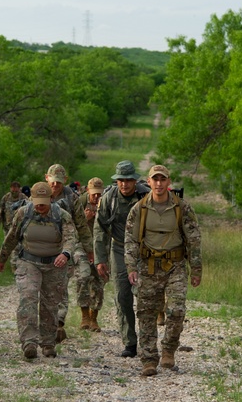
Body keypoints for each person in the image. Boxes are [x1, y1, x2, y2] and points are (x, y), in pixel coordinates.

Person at [124, 164, 203, 376]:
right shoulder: (139, 209)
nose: (159, 184)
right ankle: (149, 359)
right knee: (146, 313)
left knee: (176, 310)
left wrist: (196, 269)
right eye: (155, 180)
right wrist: (131, 266)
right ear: (148, 182)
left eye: (163, 179)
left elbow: (194, 240)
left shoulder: (182, 208)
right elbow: (130, 240)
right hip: (148, 266)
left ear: (168, 182)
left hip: (175, 265)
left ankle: (169, 349)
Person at [0, 181, 80, 359]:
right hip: (29, 261)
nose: (41, 205)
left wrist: (65, 254)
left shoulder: (61, 215)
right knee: (28, 296)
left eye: (44, 201)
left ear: (51, 198)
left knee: (50, 304)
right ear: (31, 199)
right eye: (37, 201)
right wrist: (2, 258)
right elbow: (12, 237)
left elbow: (71, 237)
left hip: (54, 264)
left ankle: (48, 342)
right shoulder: (23, 213)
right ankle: (29, 342)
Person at [94, 160, 150, 357]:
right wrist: (100, 259)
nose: (125, 185)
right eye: (121, 181)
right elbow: (100, 230)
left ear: (134, 180)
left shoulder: (146, 197)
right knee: (122, 296)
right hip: (118, 249)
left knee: (144, 296)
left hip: (143, 251)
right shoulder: (109, 198)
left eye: (128, 180)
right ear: (116, 181)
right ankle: (130, 343)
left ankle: (148, 341)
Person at [45, 163, 89, 343]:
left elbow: (81, 225)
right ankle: (47, 323)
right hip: (43, 246)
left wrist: (89, 248)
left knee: (61, 284)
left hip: (67, 246)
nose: (55, 185)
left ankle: (59, 323)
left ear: (65, 181)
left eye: (59, 182)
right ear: (46, 178)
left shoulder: (72, 199)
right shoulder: (38, 195)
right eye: (52, 182)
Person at [75, 177, 106, 331]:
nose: (96, 197)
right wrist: (84, 219)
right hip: (82, 246)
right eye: (94, 194)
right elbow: (69, 228)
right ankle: (84, 315)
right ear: (87, 191)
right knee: (83, 276)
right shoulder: (79, 202)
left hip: (100, 247)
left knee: (99, 282)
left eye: (99, 194)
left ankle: (94, 317)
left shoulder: (106, 203)